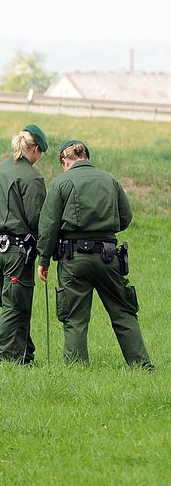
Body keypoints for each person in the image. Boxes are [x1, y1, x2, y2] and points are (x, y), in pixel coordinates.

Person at [36, 140, 153, 368]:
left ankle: (77, 370)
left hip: (73, 259)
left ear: (64, 161)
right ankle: (142, 366)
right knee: (123, 312)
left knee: (75, 318)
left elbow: (48, 226)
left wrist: (44, 260)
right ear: (87, 157)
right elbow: (126, 217)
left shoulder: (61, 183)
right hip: (108, 256)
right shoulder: (110, 181)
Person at [0, 125, 48, 365]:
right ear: (36, 149)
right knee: (14, 306)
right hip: (15, 249)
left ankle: (24, 356)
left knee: (12, 302)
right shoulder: (32, 177)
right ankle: (2, 360)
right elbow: (37, 219)